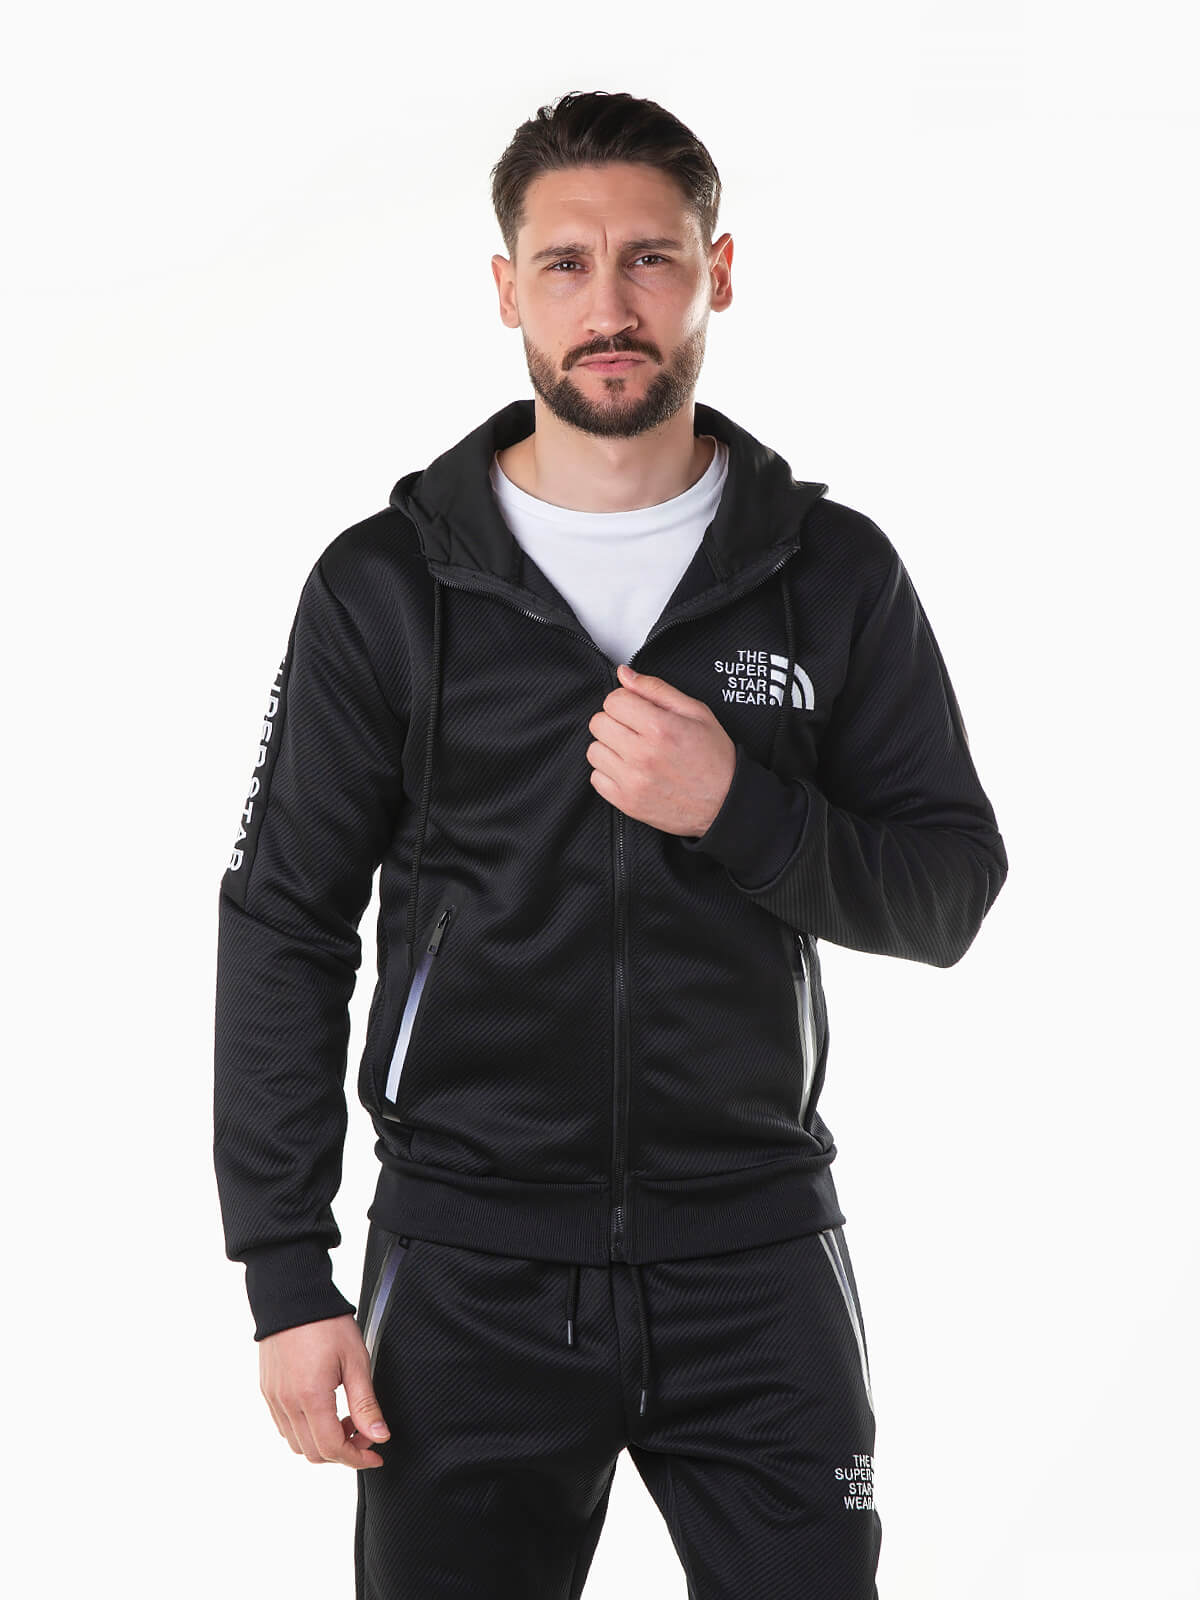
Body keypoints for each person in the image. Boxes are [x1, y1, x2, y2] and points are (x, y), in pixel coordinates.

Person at [213, 88, 1008, 1600]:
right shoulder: (387, 590)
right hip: (466, 1271)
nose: (610, 307)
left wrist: (739, 807)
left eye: (651, 258)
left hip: (757, 1258)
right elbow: (284, 924)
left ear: (718, 273)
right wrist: (284, 1276)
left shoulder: (830, 572)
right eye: (566, 265)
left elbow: (950, 888)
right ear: (507, 291)